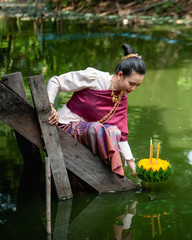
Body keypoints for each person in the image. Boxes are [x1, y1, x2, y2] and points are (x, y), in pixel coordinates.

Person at [47, 43, 145, 179]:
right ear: (120, 75)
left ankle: (107, 175)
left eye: (138, 85)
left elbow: (121, 136)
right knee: (98, 128)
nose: (133, 89)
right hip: (65, 127)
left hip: (90, 135)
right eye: (131, 83)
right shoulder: (95, 78)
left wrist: (133, 166)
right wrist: (50, 106)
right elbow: (55, 81)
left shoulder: (121, 99)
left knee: (114, 131)